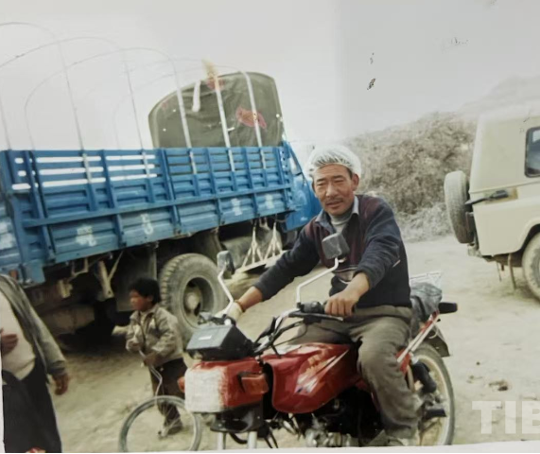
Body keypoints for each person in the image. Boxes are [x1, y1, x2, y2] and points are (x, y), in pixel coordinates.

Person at [220, 145, 420, 446]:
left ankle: (404, 432)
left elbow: (381, 251)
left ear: (354, 181)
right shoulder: (316, 228)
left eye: (338, 181)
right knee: (291, 360)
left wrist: (353, 290)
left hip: (384, 312)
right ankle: (322, 420)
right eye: (321, 184)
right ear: (313, 189)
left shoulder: (375, 211)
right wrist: (237, 306)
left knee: (374, 358)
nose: (330, 191)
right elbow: (285, 267)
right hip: (337, 316)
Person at [0, 273, 70, 453]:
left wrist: (56, 365)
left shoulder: (2, 283)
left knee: (50, 444)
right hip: (1, 395)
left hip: (32, 376)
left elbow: (33, 323)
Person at [125, 278, 187, 436]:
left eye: (136, 297)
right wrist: (132, 344)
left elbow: (170, 336)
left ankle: (206, 412)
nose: (132, 301)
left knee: (182, 389)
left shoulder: (162, 316)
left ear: (149, 298)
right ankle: (172, 421)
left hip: (171, 361)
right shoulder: (135, 318)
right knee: (161, 394)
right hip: (155, 366)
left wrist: (157, 353)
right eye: (131, 297)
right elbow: (131, 336)